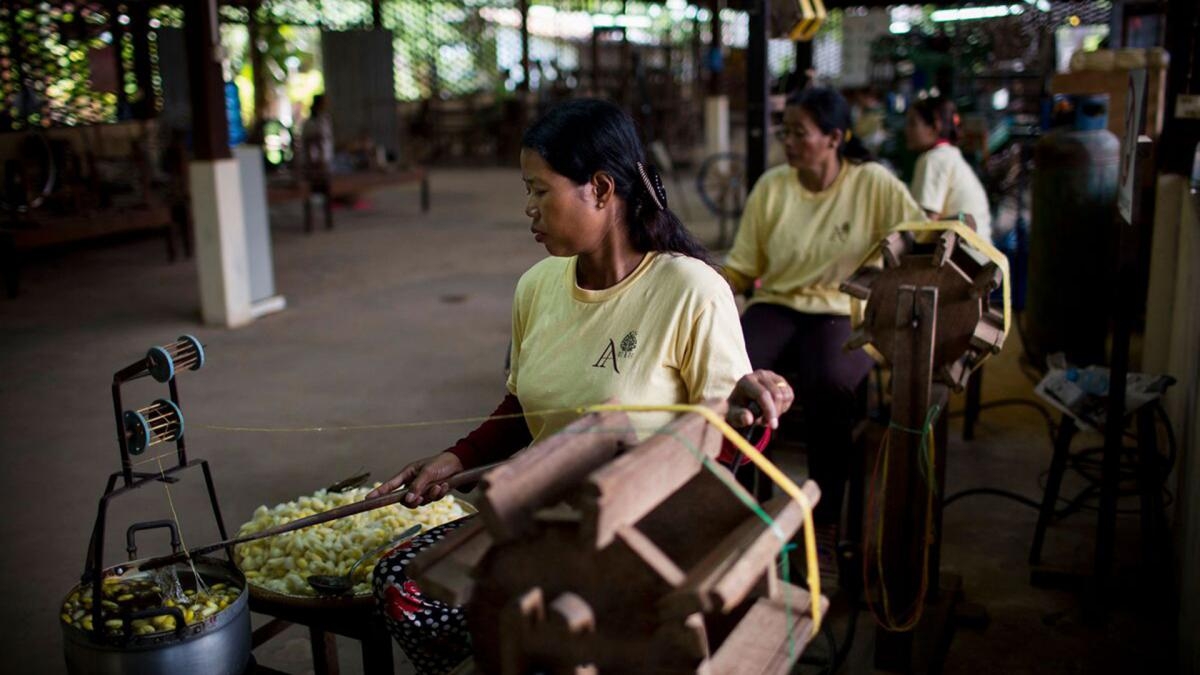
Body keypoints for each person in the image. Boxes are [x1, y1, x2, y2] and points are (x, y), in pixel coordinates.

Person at [366, 98, 795, 675]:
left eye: (540, 190)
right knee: (402, 583)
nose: (528, 209)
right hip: (544, 521)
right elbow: (523, 405)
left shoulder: (691, 291)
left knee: (554, 626)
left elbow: (724, 448)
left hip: (646, 534)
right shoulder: (538, 287)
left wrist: (747, 411)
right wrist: (455, 458)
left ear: (599, 189)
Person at [722, 87, 926, 531]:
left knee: (830, 383)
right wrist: (702, 285)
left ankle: (825, 514)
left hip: (842, 308)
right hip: (777, 302)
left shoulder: (873, 182)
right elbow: (742, 268)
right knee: (731, 375)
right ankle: (744, 503)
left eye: (800, 133)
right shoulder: (772, 188)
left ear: (834, 138)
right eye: (785, 132)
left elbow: (918, 234)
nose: (788, 142)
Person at [905, 96, 992, 242]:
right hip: (980, 254)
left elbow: (925, 224)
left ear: (934, 127)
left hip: (965, 257)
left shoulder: (934, 159)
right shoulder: (949, 155)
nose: (907, 130)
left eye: (913, 124)